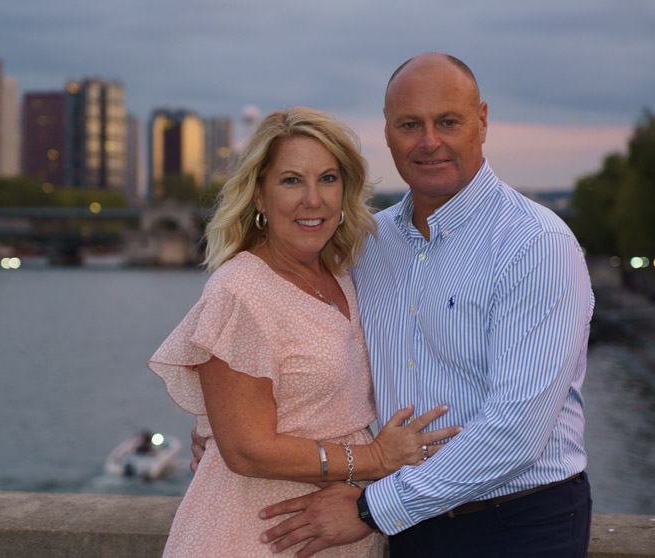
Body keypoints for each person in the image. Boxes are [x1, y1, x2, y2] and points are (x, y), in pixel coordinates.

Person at [254, 53, 595, 557]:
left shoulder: (535, 244)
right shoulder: (366, 244)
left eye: (448, 122)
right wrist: (229, 437)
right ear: (388, 134)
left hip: (518, 524)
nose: (429, 141)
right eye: (410, 124)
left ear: (482, 121)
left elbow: (517, 431)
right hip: (408, 527)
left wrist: (373, 508)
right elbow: (317, 360)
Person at [147, 106, 462, 557]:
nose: (313, 199)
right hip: (255, 535)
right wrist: (376, 458)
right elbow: (246, 450)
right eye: (291, 180)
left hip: (336, 526)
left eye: (328, 179)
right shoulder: (241, 291)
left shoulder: (345, 277)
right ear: (259, 195)